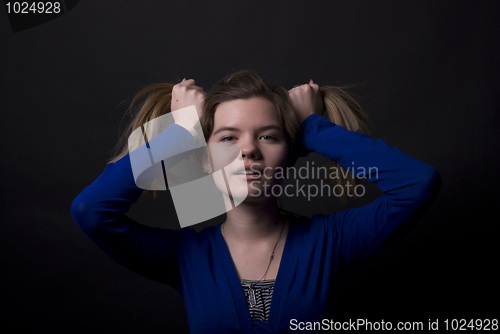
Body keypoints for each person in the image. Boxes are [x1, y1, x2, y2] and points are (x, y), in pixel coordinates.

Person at [71, 70, 440, 333]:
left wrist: (311, 124)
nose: (249, 150)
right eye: (228, 138)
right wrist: (181, 131)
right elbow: (92, 211)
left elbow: (417, 183)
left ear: (291, 153)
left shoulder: (331, 239)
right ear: (204, 157)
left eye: (268, 136)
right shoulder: (185, 255)